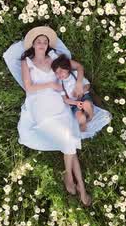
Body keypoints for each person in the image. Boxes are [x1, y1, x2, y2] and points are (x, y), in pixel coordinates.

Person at [18, 26, 92, 206]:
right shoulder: (27, 62)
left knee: (70, 141)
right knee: (69, 141)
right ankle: (72, 180)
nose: (42, 44)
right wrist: (51, 84)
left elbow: (76, 67)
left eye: (45, 41)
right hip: (40, 104)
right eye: (39, 42)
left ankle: (79, 184)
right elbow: (29, 87)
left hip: (60, 103)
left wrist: (79, 83)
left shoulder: (54, 58)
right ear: (33, 45)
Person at [51, 54, 95, 132]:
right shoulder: (60, 84)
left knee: (86, 104)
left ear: (67, 68)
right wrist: (75, 103)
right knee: (78, 115)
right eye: (56, 72)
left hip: (84, 96)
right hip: (74, 104)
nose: (59, 74)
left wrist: (82, 91)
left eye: (61, 71)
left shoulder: (75, 74)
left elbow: (87, 85)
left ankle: (90, 115)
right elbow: (65, 100)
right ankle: (83, 122)